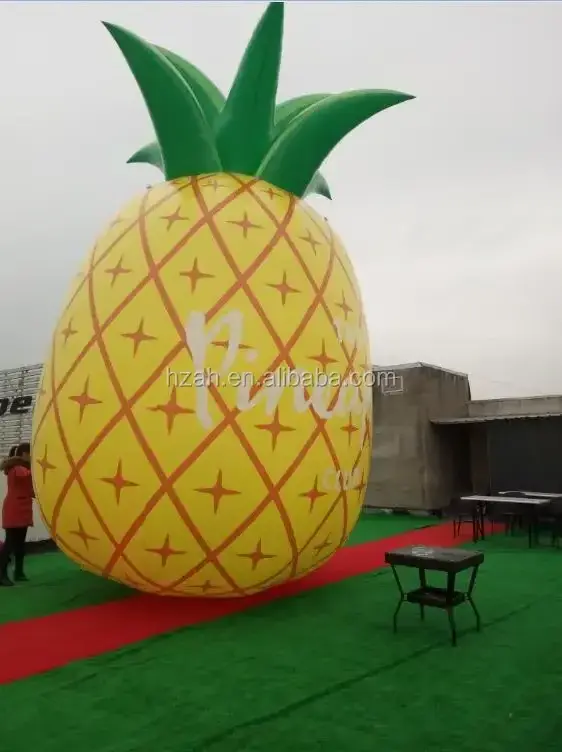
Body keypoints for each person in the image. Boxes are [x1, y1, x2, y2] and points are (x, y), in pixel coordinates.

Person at [0, 442, 33, 587]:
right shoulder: (17, 468)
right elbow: (27, 475)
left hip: (22, 509)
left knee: (19, 544)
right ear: (24, 454)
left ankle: (18, 572)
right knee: (10, 544)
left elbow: (31, 489)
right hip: (15, 509)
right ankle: (1, 575)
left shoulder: (19, 467)